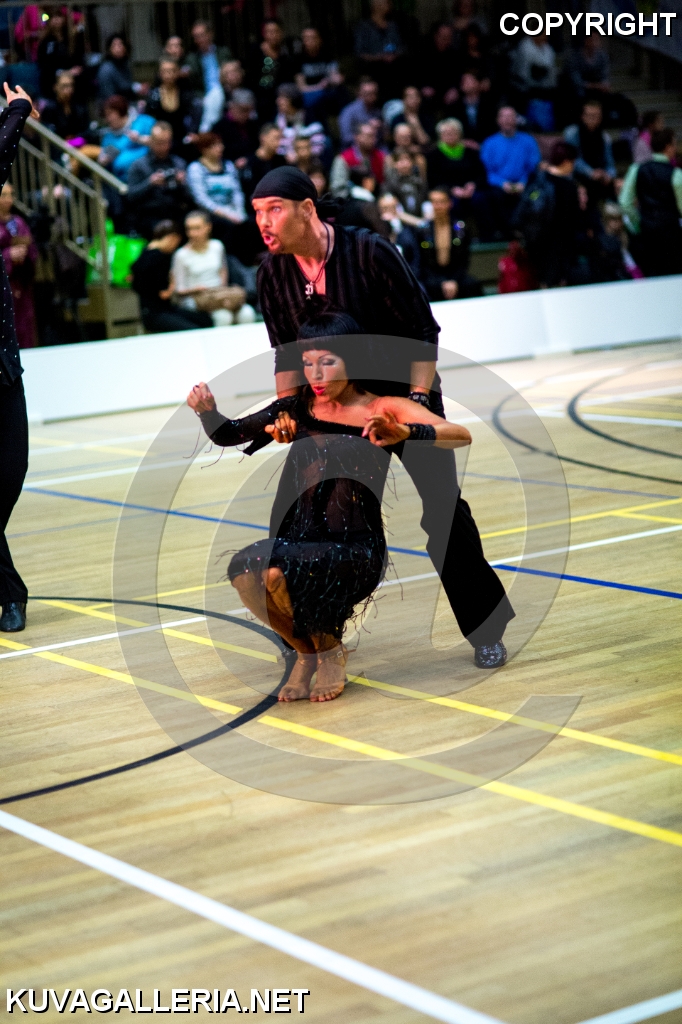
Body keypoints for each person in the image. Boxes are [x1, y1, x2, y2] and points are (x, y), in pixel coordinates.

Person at [250, 166, 514, 666]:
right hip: (329, 405)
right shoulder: (272, 273)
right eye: (257, 213)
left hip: (403, 395)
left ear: (307, 209)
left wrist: (418, 405)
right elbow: (286, 355)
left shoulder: (369, 252)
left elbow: (423, 331)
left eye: (274, 210)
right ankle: (303, 631)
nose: (263, 222)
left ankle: (486, 629)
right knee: (294, 512)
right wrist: (288, 413)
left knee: (443, 511)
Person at [188, 311, 473, 701]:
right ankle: (309, 652)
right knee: (244, 571)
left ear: (351, 360)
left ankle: (327, 653)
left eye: (326, 362)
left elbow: (460, 435)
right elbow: (228, 433)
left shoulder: (383, 407)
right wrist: (206, 410)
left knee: (278, 575)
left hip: (355, 549)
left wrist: (406, 431)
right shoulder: (297, 408)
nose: (315, 375)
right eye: (307, 364)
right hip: (301, 540)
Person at [0, 83, 40, 633]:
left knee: (12, 472)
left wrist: (16, 114)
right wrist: (16, 112)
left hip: (3, 373)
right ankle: (11, 594)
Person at [514, 141, 585, 289]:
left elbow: (524, 207)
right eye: (572, 162)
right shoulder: (569, 187)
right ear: (566, 162)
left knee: (542, 280)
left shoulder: (536, 179)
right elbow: (573, 220)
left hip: (535, 240)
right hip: (558, 244)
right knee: (557, 282)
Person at [171, 210, 256, 326]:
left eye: (197, 228)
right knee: (223, 316)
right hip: (196, 298)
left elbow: (223, 271)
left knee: (247, 313)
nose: (192, 233)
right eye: (189, 229)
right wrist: (196, 289)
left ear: (208, 227)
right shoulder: (181, 255)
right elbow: (179, 289)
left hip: (219, 294)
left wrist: (224, 293)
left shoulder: (217, 246)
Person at [619, 128, 682, 278]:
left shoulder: (636, 169)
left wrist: (637, 224)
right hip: (671, 233)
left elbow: (624, 203)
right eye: (674, 144)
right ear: (668, 147)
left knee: (653, 278)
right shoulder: (676, 174)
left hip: (647, 232)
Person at [131, 220, 213, 334]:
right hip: (158, 313)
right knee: (196, 330)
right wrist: (174, 284)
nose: (175, 247)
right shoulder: (159, 258)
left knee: (204, 319)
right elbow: (164, 294)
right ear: (172, 238)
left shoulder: (144, 252)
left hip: (149, 311)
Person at [187, 132, 253, 260]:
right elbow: (201, 199)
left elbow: (237, 191)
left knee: (250, 223)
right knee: (227, 226)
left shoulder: (228, 165)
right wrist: (226, 214)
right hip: (211, 212)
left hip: (232, 209)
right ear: (204, 149)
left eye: (220, 144)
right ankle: (228, 261)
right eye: (215, 146)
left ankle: (248, 261)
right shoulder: (196, 168)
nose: (220, 148)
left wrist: (239, 210)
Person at [427, 118, 492, 239]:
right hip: (449, 192)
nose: (450, 135)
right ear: (440, 136)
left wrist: (473, 185)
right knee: (451, 204)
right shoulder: (434, 155)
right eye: (446, 133)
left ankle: (486, 237)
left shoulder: (470, 152)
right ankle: (457, 237)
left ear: (460, 134)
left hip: (471, 191)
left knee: (481, 200)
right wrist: (452, 189)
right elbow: (433, 179)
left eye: (453, 132)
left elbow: (481, 174)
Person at [480, 106, 541, 237]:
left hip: (525, 184)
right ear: (498, 120)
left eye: (510, 116)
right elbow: (486, 171)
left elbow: (533, 167)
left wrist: (523, 182)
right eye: (504, 116)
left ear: (516, 119)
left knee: (535, 194)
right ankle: (505, 233)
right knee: (491, 196)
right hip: (499, 186)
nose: (507, 120)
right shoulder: (490, 143)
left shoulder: (528, 141)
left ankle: (528, 232)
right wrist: (502, 183)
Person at [127, 121, 191, 239]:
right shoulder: (139, 165)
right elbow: (131, 196)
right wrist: (150, 183)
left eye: (167, 142)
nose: (164, 146)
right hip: (149, 215)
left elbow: (189, 197)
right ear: (151, 141)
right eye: (160, 142)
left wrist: (183, 183)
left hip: (176, 212)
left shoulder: (179, 163)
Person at [418, 186, 482, 300]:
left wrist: (454, 281)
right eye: (434, 202)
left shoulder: (460, 229)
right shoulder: (423, 230)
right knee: (422, 289)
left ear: (449, 203)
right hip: (433, 277)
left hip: (455, 274)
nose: (438, 206)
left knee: (473, 285)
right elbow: (423, 262)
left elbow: (464, 260)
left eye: (441, 202)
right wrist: (441, 282)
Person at [0, 181, 37, 350]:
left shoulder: (18, 222)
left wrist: (25, 252)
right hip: (3, 288)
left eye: (11, 195)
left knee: (24, 330)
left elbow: (32, 251)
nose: (8, 199)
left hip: (20, 286)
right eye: (3, 195)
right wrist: (8, 255)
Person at [564, 101, 616, 202]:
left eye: (597, 116)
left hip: (600, 177)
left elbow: (610, 163)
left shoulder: (605, 137)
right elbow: (572, 159)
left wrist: (609, 175)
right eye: (590, 115)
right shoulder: (571, 133)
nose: (594, 119)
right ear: (582, 116)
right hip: (577, 176)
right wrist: (591, 172)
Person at [354, 0, 406, 98]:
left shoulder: (392, 26)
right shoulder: (363, 27)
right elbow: (360, 52)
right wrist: (380, 57)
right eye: (385, 3)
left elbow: (401, 47)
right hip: (373, 68)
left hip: (393, 67)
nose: (388, 5)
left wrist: (394, 55)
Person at [246, 18, 294, 122]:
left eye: (276, 31)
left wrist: (277, 59)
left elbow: (287, 77)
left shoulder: (286, 53)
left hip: (278, 93)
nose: (273, 35)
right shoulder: (255, 50)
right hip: (259, 94)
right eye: (269, 32)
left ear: (281, 33)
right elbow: (250, 77)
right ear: (264, 34)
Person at [98, 94, 155, 182]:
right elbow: (102, 161)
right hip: (124, 183)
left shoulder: (144, 121)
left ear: (121, 110)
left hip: (151, 175)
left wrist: (140, 139)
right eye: (105, 115)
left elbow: (161, 141)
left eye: (109, 114)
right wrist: (103, 161)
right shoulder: (107, 137)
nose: (107, 119)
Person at [509, 31, 557, 131]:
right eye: (542, 33)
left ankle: (546, 127)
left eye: (546, 34)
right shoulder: (524, 47)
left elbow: (551, 72)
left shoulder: (548, 49)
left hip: (543, 86)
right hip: (522, 86)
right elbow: (522, 73)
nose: (545, 36)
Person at [293, 26, 344, 118]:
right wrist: (319, 87)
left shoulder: (328, 55)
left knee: (341, 92)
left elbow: (335, 77)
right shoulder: (298, 60)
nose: (310, 41)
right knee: (309, 100)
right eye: (307, 38)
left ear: (319, 40)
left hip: (328, 91)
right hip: (310, 93)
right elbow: (302, 88)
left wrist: (333, 80)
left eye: (313, 38)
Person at [145, 59, 193, 154]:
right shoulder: (153, 95)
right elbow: (148, 118)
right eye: (165, 71)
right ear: (159, 74)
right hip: (160, 140)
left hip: (181, 140)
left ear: (178, 72)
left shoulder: (186, 94)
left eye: (172, 71)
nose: (168, 75)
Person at [36, 6, 84, 100]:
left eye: (58, 16)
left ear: (63, 19)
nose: (56, 20)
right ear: (49, 20)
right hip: (52, 79)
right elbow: (45, 67)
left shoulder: (72, 39)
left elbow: (78, 60)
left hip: (73, 78)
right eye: (53, 17)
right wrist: (65, 72)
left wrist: (75, 70)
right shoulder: (45, 42)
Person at [274, 84, 327, 164]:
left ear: (293, 99)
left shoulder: (309, 116)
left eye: (282, 98)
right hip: (286, 161)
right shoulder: (279, 118)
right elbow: (278, 144)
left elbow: (318, 146)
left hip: (310, 160)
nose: (278, 101)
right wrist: (285, 154)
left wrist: (299, 155)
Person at [330, 122, 385, 198]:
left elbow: (386, 185)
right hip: (351, 200)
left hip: (378, 199)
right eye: (369, 136)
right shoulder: (343, 159)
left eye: (374, 136)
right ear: (357, 137)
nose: (373, 139)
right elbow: (338, 189)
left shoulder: (382, 157)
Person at [210, 89, 259, 168]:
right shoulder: (219, 127)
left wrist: (249, 159)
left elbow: (257, 149)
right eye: (243, 110)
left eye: (249, 110)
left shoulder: (254, 126)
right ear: (232, 107)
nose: (246, 114)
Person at [240, 122, 286, 202]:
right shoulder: (250, 164)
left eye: (280, 139)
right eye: (276, 138)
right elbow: (249, 192)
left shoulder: (281, 161)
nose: (279, 143)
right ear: (263, 138)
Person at [185, 21, 231, 98]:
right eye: (195, 37)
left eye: (201, 35)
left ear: (210, 34)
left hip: (226, 93)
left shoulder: (223, 53)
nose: (198, 40)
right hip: (203, 97)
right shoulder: (192, 58)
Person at [41, 70, 89, 141]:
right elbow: (48, 131)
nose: (69, 89)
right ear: (55, 87)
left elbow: (86, 130)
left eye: (71, 85)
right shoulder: (49, 109)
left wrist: (77, 139)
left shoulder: (80, 107)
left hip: (78, 145)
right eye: (64, 86)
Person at [200, 59, 245, 133]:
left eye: (236, 71)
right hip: (220, 132)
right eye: (230, 73)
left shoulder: (246, 92)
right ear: (223, 76)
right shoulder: (216, 94)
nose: (234, 75)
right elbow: (210, 121)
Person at [451, 71, 496, 144]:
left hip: (487, 143)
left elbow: (492, 127)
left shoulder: (489, 105)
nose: (464, 83)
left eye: (469, 80)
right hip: (462, 144)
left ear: (478, 83)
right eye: (463, 81)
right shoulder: (455, 106)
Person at [383, 147, 429, 218]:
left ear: (412, 162)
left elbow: (426, 202)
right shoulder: (389, 184)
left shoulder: (420, 181)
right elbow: (391, 207)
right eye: (400, 160)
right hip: (399, 218)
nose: (404, 163)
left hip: (421, 216)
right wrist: (417, 222)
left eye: (407, 159)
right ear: (394, 164)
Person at [338, 79, 382, 149]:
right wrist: (366, 132)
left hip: (375, 148)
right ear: (360, 93)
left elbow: (382, 138)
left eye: (374, 93)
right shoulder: (348, 111)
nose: (372, 96)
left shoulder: (377, 111)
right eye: (368, 93)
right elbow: (346, 137)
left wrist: (380, 128)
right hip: (353, 149)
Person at [96, 34, 135, 103]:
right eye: (114, 45)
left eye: (121, 45)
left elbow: (127, 86)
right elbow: (109, 98)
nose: (118, 48)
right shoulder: (106, 69)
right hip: (113, 106)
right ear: (109, 50)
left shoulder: (125, 65)